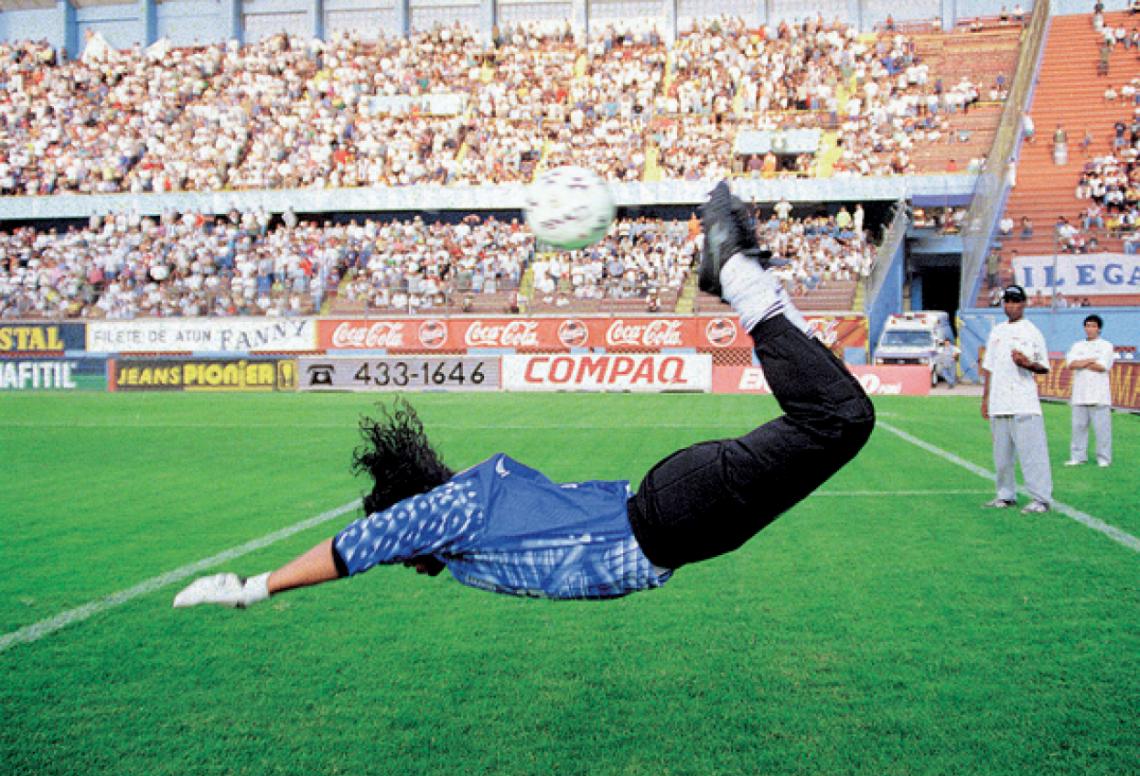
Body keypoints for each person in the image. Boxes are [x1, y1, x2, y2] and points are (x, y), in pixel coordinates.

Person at [172, 182, 875, 608]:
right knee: (837, 419)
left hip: (669, 516)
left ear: (415, 510)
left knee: (840, 419)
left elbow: (362, 543)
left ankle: (738, 273)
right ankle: (745, 279)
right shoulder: (468, 533)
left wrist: (256, 583)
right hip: (676, 524)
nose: (411, 561)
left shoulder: (450, 514)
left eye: (408, 543)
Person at [981, 284, 1053, 514]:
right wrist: (985, 399)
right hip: (999, 402)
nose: (1011, 306)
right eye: (1008, 301)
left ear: (1024, 303)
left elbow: (1044, 366)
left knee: (1032, 454)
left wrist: (1027, 364)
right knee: (1001, 457)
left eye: (1015, 301)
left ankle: (1041, 498)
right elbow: (989, 368)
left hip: (1024, 402)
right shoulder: (997, 332)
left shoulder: (1032, 332)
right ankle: (1005, 495)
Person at [1064, 314, 1114, 467]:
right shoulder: (1077, 345)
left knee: (1102, 430)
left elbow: (1102, 367)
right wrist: (1090, 360)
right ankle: (1078, 456)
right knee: (1078, 428)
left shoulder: (1106, 346)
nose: (1090, 329)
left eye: (1093, 326)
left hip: (1099, 394)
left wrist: (1082, 362)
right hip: (1080, 393)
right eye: (1087, 325)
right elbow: (1071, 364)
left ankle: (1104, 458)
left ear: (1098, 328)